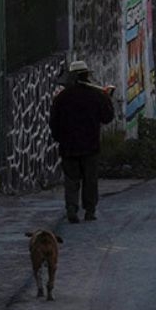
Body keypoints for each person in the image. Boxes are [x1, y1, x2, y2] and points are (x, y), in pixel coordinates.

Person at [49, 60, 115, 223]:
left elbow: (54, 123)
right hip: (90, 145)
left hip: (68, 146)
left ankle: (72, 209)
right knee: (90, 180)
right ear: (86, 75)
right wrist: (107, 99)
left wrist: (59, 139)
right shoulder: (97, 95)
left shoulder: (61, 98)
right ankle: (89, 211)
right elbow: (107, 118)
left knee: (71, 180)